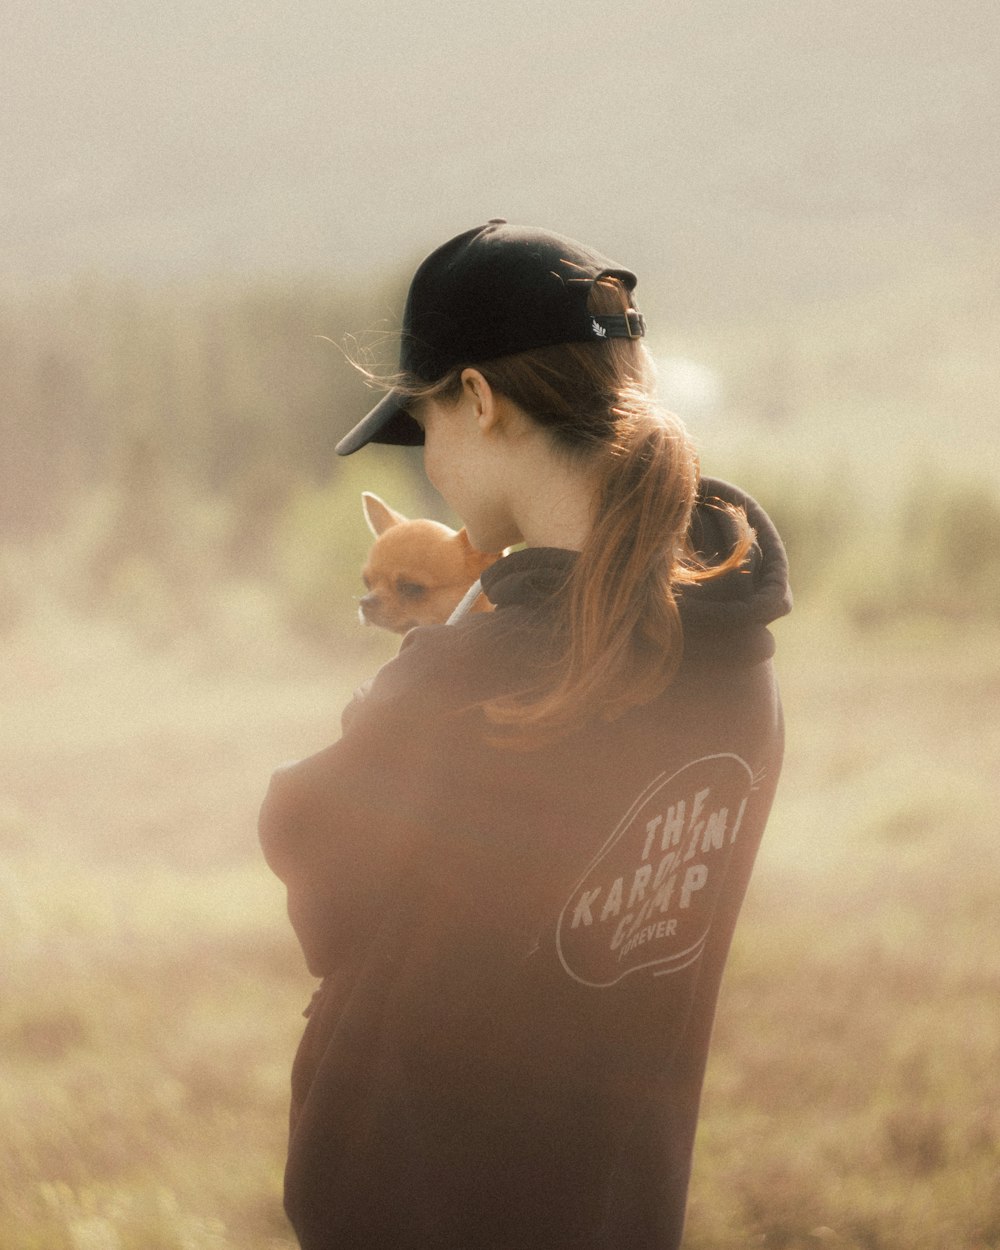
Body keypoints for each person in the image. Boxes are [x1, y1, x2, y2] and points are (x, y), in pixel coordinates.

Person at [259, 220, 792, 1249]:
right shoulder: (741, 660)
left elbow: (307, 835)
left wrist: (396, 693)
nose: (432, 474)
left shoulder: (465, 676)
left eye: (423, 432)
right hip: (619, 1204)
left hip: (424, 1208)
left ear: (479, 399)